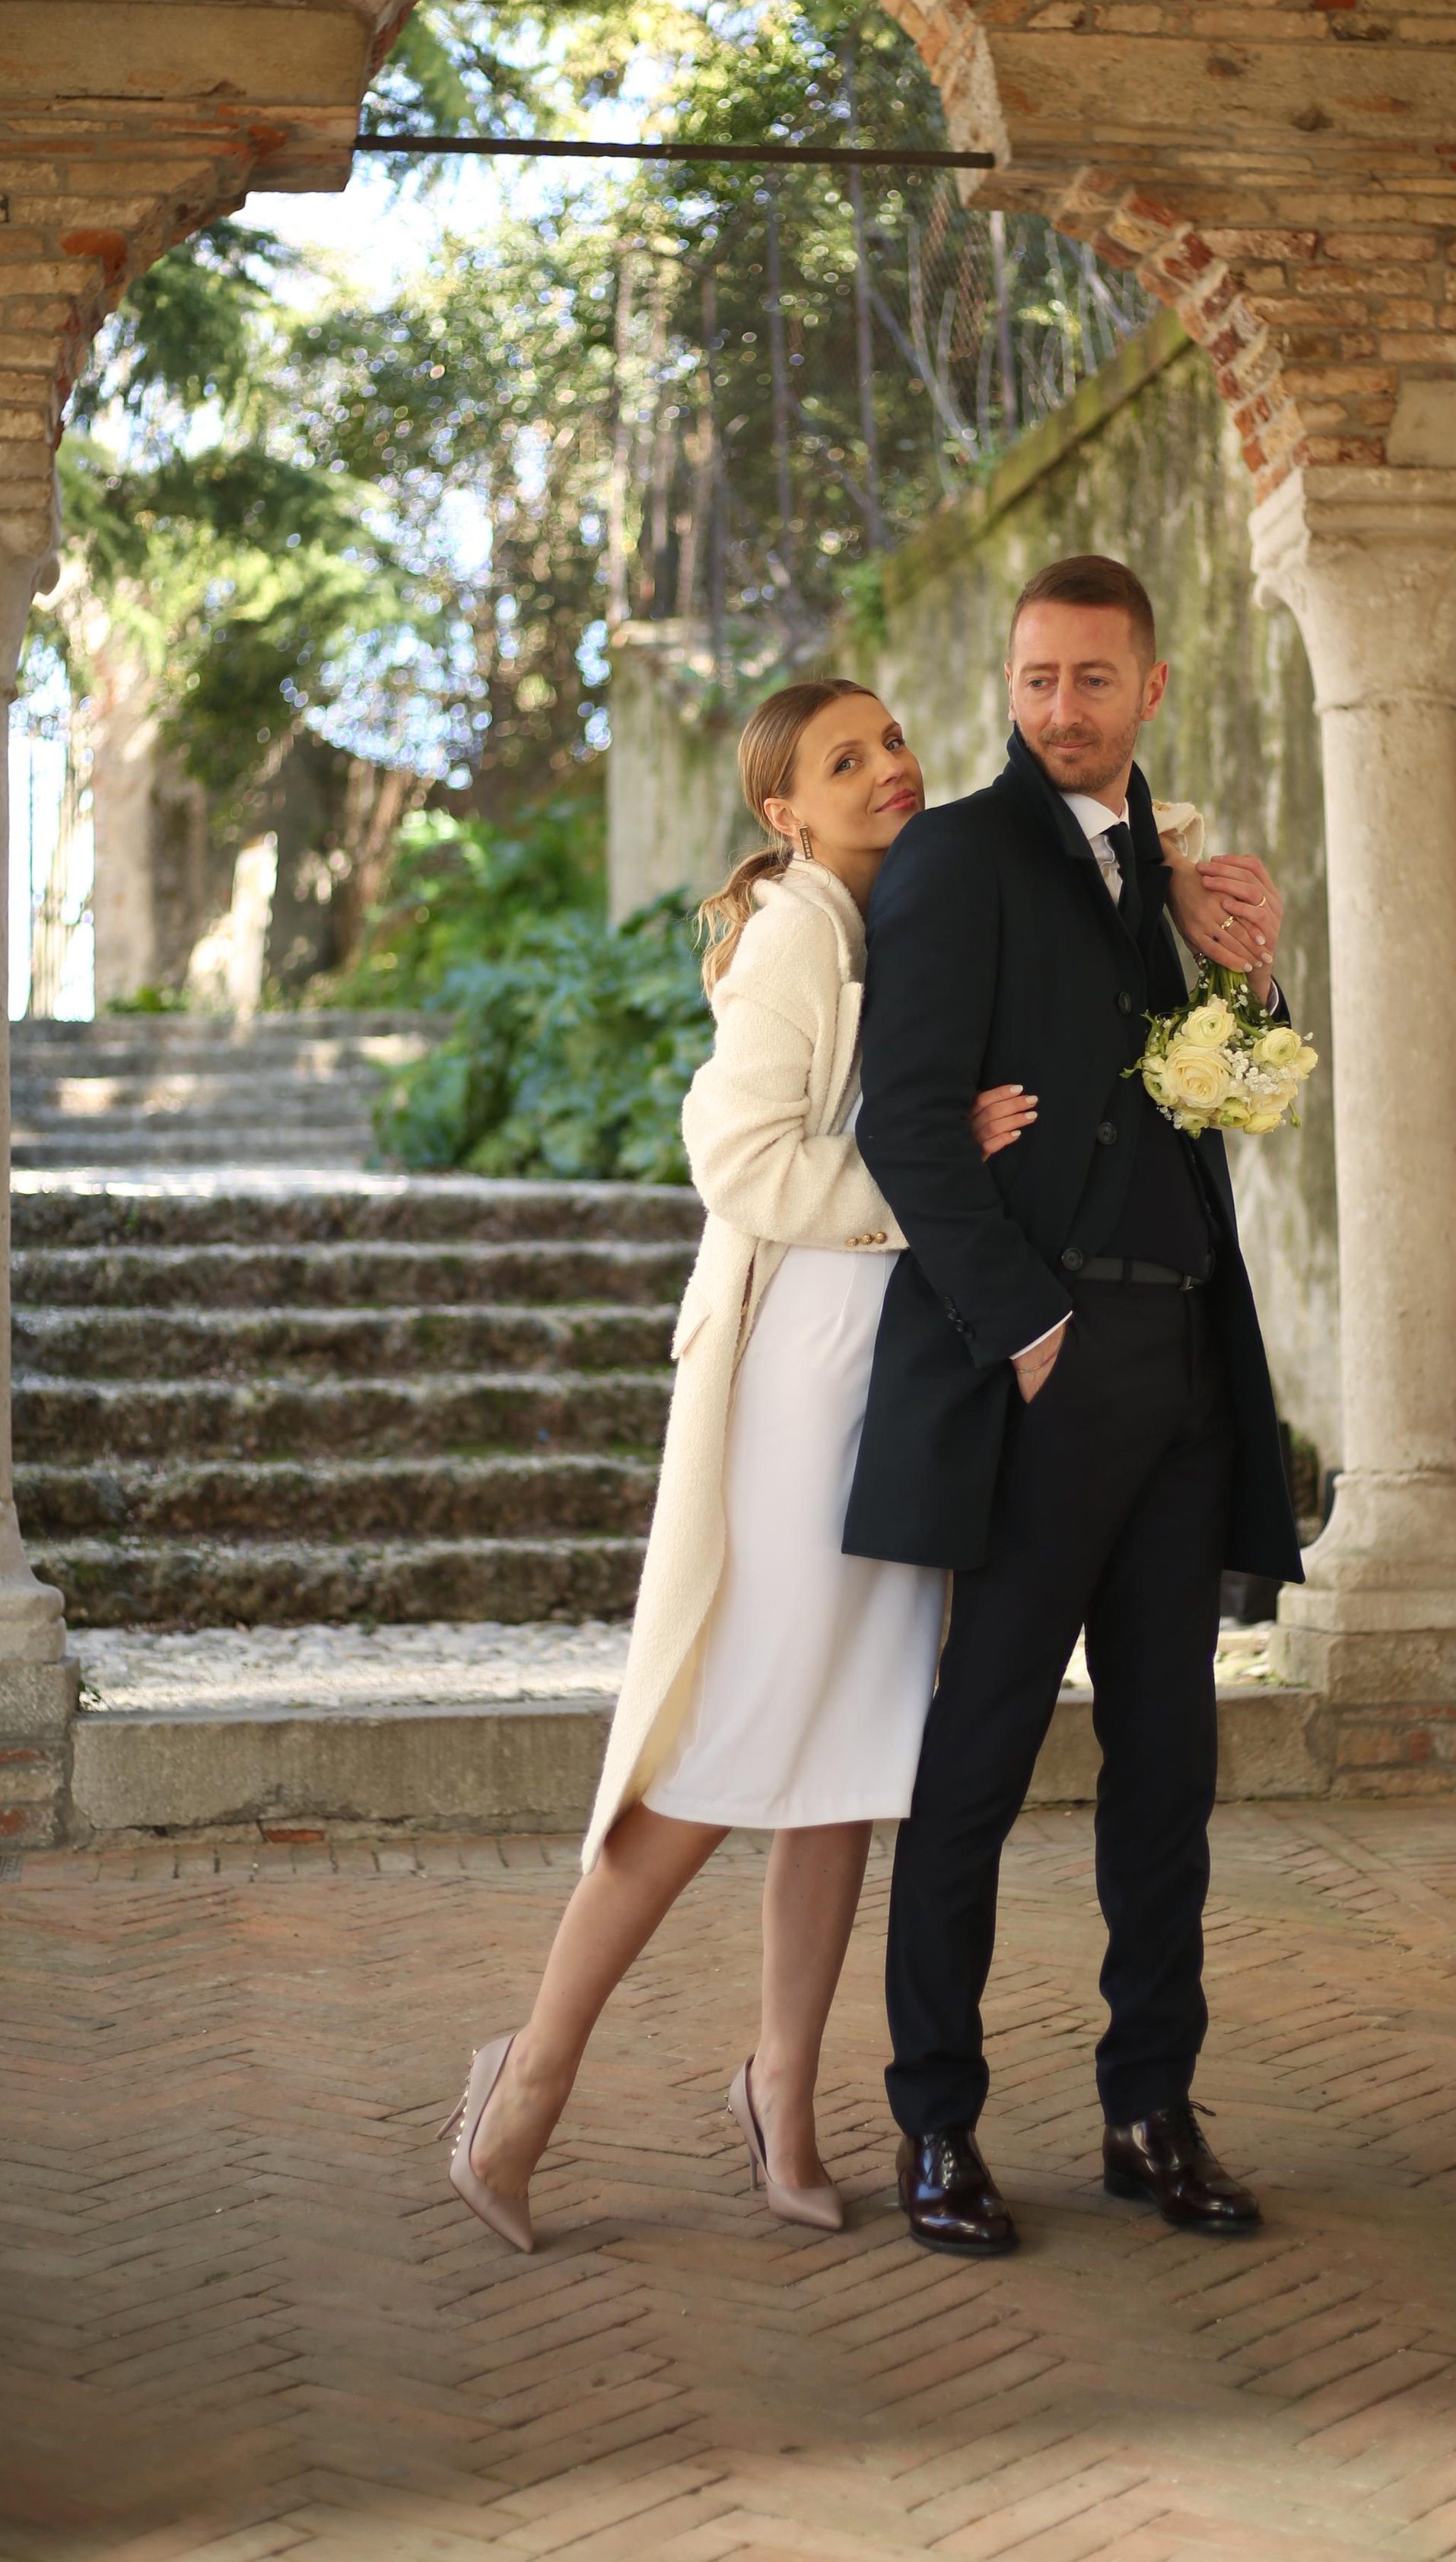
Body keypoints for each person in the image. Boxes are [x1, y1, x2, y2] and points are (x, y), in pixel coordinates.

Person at [440, 677, 1037, 2254]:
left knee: (846, 1757)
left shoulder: (894, 906)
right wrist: (933, 1176)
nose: (889, 767)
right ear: (785, 814)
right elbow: (741, 1158)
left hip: (895, 1376)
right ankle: (527, 2079)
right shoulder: (793, 932)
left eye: (891, 740)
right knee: (726, 1744)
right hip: (800, 1377)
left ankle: (782, 2091)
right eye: (846, 761)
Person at [844, 554, 1304, 2255]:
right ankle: (936, 2125)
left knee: (1167, 1766)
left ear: (1149, 691)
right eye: (1035, 678)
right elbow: (904, 1122)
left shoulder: (1164, 875)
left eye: (1091, 680)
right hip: (1044, 1374)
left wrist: (1249, 980)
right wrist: (1025, 1329)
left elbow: (1226, 1101)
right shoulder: (957, 857)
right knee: (975, 1758)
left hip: (1182, 1369)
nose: (1059, 709)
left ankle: (1148, 2110)